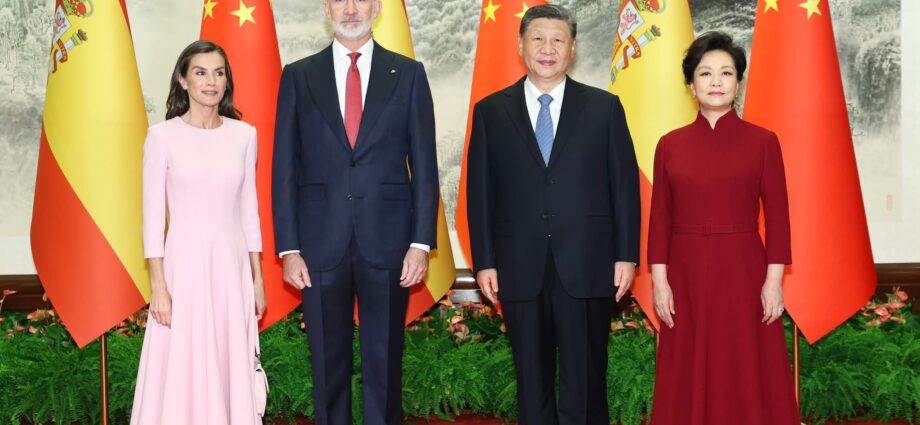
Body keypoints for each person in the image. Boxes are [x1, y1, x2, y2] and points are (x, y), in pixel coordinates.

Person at [466, 5, 640, 424]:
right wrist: (485, 262)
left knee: (584, 381)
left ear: (573, 47)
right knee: (531, 381)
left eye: (558, 39)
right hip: (519, 267)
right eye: (538, 38)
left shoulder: (604, 108)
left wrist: (626, 256)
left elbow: (625, 189)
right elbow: (480, 194)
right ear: (521, 45)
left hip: (588, 263)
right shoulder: (491, 112)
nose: (548, 48)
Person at [271, 0, 439, 423]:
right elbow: (284, 169)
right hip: (316, 245)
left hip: (390, 244)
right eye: (340, 0)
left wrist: (420, 243)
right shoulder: (298, 76)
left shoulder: (408, 74)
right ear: (326, 8)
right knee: (328, 366)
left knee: (385, 365)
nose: (350, 8)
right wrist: (289, 248)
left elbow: (424, 165)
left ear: (376, 7)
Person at [648, 31, 799, 425]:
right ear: (691, 83)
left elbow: (779, 218)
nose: (716, 82)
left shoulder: (764, 142)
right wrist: (660, 282)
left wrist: (773, 282)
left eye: (726, 73)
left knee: (744, 363)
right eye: (705, 73)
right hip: (684, 272)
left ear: (738, 82)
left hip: (744, 270)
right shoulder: (670, 144)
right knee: (687, 363)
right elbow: (660, 217)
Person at [131, 40, 267, 425]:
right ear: (183, 80)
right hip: (183, 270)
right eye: (200, 72)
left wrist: (256, 278)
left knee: (227, 361)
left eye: (219, 72)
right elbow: (152, 219)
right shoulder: (162, 137)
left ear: (227, 80)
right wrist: (158, 286)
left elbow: (249, 211)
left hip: (231, 270)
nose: (211, 82)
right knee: (182, 363)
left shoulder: (245, 135)